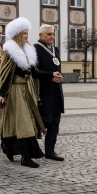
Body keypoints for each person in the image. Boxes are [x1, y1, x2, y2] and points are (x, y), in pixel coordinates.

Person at [0, 17, 49, 168]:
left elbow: (34, 72)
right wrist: (1, 93)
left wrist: (50, 76)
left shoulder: (27, 49)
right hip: (15, 91)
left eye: (27, 33)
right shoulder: (10, 51)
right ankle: (25, 157)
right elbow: (4, 74)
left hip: (27, 90)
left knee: (26, 122)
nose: (26, 36)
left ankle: (11, 149)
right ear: (17, 34)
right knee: (23, 124)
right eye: (24, 33)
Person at [34, 24, 65, 162]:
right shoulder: (35, 49)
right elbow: (34, 71)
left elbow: (56, 67)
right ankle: (25, 147)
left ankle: (50, 151)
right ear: (40, 35)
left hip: (56, 91)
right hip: (43, 92)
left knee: (54, 123)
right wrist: (50, 76)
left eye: (53, 34)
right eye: (49, 34)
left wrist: (58, 76)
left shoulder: (56, 49)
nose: (52, 37)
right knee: (44, 121)